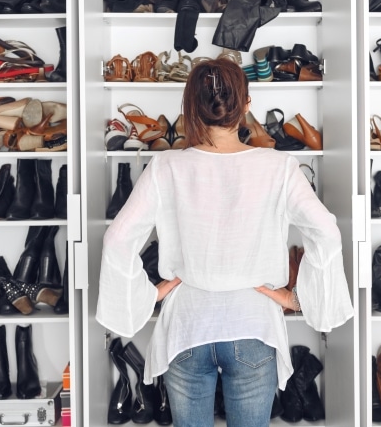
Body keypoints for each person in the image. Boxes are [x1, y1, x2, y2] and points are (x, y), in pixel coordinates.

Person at [95, 58, 354, 427]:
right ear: (247, 104)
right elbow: (326, 231)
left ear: (191, 108)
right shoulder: (279, 166)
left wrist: (149, 295)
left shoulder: (165, 166)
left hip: (186, 327)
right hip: (253, 324)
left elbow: (117, 239)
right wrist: (297, 299)